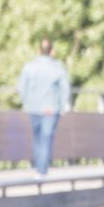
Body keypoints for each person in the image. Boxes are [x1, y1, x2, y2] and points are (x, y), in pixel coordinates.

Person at [17, 38, 72, 177]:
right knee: (46, 138)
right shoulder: (57, 67)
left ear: (38, 50)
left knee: (37, 137)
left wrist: (26, 103)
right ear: (52, 51)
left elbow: (22, 87)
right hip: (51, 108)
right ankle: (42, 169)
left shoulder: (29, 66)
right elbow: (65, 88)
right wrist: (63, 105)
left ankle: (38, 167)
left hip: (34, 107)